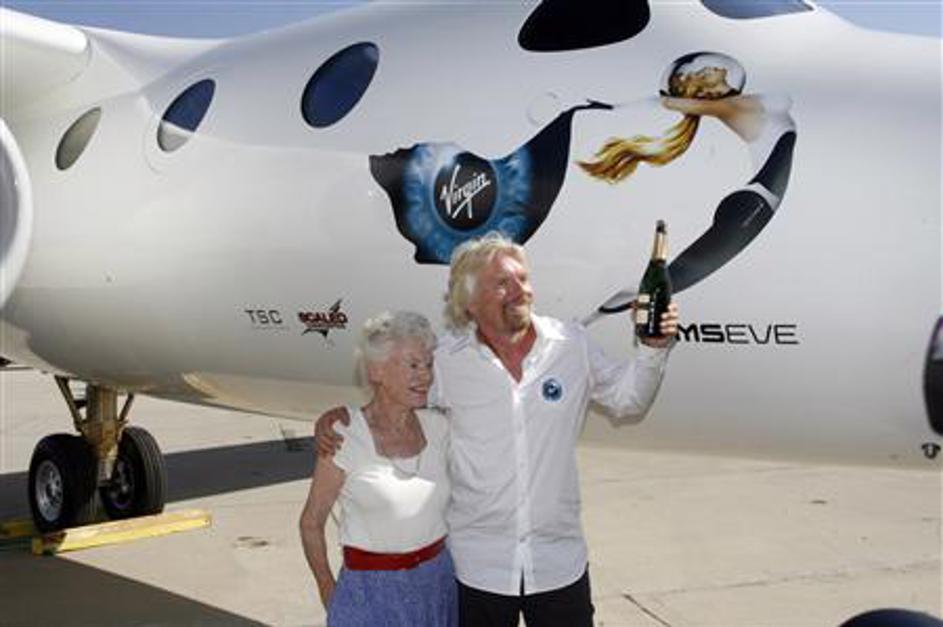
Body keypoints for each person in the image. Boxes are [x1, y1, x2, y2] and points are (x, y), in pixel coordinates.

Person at [318, 233, 679, 626]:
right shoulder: (447, 361)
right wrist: (343, 418)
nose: (520, 290)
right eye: (503, 283)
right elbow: (396, 399)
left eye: (523, 278)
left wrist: (653, 348)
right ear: (469, 302)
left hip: (558, 565)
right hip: (478, 570)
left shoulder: (569, 345)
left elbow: (629, 399)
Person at [299, 310, 457, 626]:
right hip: (370, 593)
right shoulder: (344, 434)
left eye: (428, 365)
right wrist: (328, 590)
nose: (425, 376)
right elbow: (311, 523)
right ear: (377, 371)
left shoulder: (439, 427)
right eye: (413, 365)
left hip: (438, 583)